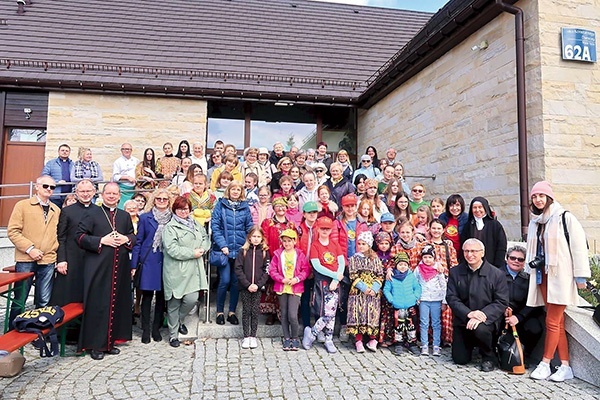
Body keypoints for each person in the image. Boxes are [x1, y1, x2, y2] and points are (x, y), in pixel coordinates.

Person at [526, 181, 591, 382]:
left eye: (541, 196)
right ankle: (565, 365)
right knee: (558, 322)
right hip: (542, 276)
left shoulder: (564, 217)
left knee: (552, 320)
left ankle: (545, 363)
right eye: (534, 197)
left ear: (549, 197)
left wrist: (580, 277)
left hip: (560, 276)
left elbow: (579, 246)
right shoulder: (536, 221)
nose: (538, 200)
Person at [76, 182, 136, 360]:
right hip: (98, 268)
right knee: (98, 305)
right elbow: (79, 237)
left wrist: (126, 238)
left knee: (116, 304)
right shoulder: (92, 213)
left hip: (120, 268)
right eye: (108, 193)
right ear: (102, 195)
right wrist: (102, 241)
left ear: (119, 196)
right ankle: (95, 345)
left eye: (115, 194)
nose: (111, 196)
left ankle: (110, 343)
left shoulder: (124, 216)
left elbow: (133, 236)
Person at [446, 238, 509, 372]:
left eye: (474, 251)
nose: (470, 255)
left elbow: (501, 301)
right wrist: (469, 313)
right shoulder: (455, 272)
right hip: (464, 320)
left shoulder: (497, 274)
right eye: (466, 251)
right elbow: (451, 297)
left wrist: (482, 315)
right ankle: (471, 346)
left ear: (482, 253)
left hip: (487, 322)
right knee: (460, 359)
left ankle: (489, 356)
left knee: (480, 329)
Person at [7, 175, 61, 328]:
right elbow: (13, 231)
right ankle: (14, 330)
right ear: (37, 186)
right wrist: (30, 249)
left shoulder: (56, 210)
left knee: (44, 300)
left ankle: (38, 331)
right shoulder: (22, 205)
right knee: (20, 299)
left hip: (48, 259)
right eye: (45, 186)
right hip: (26, 259)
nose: (49, 189)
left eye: (52, 187)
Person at [162, 196, 210, 347]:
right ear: (175, 210)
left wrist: (203, 248)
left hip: (194, 270)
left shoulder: (195, 223)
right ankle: (173, 335)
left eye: (186, 209)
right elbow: (172, 249)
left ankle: (177, 321)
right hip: (177, 271)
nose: (183, 212)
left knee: (191, 299)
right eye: (180, 209)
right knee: (174, 303)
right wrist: (192, 253)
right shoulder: (170, 228)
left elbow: (205, 238)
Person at [131, 189, 172, 344]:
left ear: (169, 201)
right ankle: (146, 329)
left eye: (165, 199)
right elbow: (138, 242)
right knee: (147, 296)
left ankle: (156, 328)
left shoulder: (172, 218)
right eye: (159, 199)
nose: (162, 201)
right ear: (154, 200)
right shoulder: (145, 217)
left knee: (162, 297)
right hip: (149, 259)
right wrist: (134, 264)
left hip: (165, 259)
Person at [211, 181, 254, 325]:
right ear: (228, 191)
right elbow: (215, 227)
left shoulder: (245, 207)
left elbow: (249, 227)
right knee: (225, 280)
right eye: (233, 189)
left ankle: (232, 312)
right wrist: (222, 245)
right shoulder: (220, 205)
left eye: (238, 189)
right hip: (224, 250)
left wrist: (247, 244)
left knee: (236, 282)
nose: (235, 192)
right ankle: (219, 311)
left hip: (240, 250)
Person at [302, 217, 345, 354]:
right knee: (327, 313)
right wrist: (334, 275)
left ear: (331, 229)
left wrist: (337, 280)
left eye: (327, 228)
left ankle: (324, 337)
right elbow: (316, 265)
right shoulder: (315, 245)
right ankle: (316, 334)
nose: (325, 231)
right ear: (318, 229)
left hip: (334, 283)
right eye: (322, 228)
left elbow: (341, 262)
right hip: (322, 282)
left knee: (331, 313)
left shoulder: (334, 244)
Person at [51, 179, 95, 308]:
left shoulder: (99, 211)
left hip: (92, 259)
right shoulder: (67, 211)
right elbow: (61, 236)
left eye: (88, 191)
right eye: (82, 191)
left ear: (94, 192)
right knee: (68, 297)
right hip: (71, 259)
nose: (85, 194)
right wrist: (61, 259)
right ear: (76, 192)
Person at [502, 245, 545, 367]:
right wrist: (502, 309)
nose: (516, 261)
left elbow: (533, 302)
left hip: (520, 317)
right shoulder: (496, 275)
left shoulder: (528, 279)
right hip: (500, 315)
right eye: (513, 258)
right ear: (507, 258)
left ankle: (523, 356)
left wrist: (519, 317)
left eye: (520, 259)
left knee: (535, 328)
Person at [269, 229, 310, 351]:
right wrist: (282, 279)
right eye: (284, 241)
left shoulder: (300, 254)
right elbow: (272, 270)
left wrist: (297, 279)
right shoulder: (278, 254)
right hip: (282, 287)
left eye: (289, 241)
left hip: (295, 288)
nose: (287, 244)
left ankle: (295, 337)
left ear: (294, 241)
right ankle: (286, 338)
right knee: (284, 314)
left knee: (293, 315)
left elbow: (305, 270)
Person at [260, 197, 297, 324]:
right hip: (273, 257)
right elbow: (264, 238)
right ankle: (271, 312)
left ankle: (283, 312)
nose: (281, 209)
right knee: (272, 284)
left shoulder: (290, 224)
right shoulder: (268, 222)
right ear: (274, 208)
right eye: (278, 206)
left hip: (287, 259)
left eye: (283, 206)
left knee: (284, 284)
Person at [346, 231, 384, 353]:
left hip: (373, 293)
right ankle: (358, 340)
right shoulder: (354, 259)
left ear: (369, 245)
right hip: (358, 292)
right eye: (359, 243)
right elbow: (353, 275)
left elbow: (380, 275)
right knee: (359, 314)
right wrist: (363, 288)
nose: (361, 246)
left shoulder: (376, 259)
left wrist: (374, 288)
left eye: (364, 244)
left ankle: (372, 339)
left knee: (372, 315)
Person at [235, 227, 270, 350]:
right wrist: (247, 284)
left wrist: (258, 285)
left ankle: (253, 336)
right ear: (249, 237)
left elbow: (267, 271)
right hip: (245, 287)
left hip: (258, 287)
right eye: (254, 236)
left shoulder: (265, 252)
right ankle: (246, 336)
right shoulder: (243, 251)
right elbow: (238, 269)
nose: (256, 239)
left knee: (255, 311)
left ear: (262, 238)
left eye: (258, 237)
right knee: (246, 311)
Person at [383, 251, 421, 356]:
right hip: (398, 306)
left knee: (411, 325)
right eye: (400, 264)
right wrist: (392, 300)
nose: (403, 267)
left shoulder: (411, 276)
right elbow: (386, 290)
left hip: (410, 305)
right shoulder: (392, 277)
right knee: (398, 326)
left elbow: (417, 287)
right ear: (396, 265)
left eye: (405, 264)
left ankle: (412, 343)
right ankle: (398, 343)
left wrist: (415, 297)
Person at [414, 245, 447, 357]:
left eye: (430, 257)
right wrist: (416, 297)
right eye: (425, 257)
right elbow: (414, 283)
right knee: (424, 323)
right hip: (423, 299)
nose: (427, 260)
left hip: (436, 299)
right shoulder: (418, 269)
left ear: (434, 258)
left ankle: (436, 345)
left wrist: (444, 301)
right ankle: (424, 345)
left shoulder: (438, 269)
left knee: (436, 323)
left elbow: (443, 285)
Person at [461, 196, 507, 268]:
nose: (477, 210)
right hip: (472, 265)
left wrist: (498, 265)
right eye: (474, 207)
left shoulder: (495, 225)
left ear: (485, 208)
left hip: (492, 265)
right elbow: (463, 244)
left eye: (480, 207)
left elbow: (501, 246)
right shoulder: (468, 225)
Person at [297, 201, 319, 328]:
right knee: (304, 299)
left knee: (317, 298)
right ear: (304, 214)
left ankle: (318, 326)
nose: (312, 215)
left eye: (314, 212)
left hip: (317, 269)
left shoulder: (319, 228)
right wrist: (306, 269)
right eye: (309, 212)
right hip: (303, 269)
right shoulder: (299, 229)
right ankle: (306, 326)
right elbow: (298, 250)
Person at [439, 194, 468, 258]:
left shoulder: (466, 218)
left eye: (457, 205)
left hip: (461, 252)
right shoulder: (442, 217)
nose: (454, 208)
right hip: (445, 252)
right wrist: (445, 239)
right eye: (451, 205)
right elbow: (438, 232)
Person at [112, 143, 139, 208]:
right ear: (121, 150)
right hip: (123, 189)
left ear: (131, 150)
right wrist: (127, 178)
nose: (126, 151)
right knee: (122, 208)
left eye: (128, 149)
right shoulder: (117, 162)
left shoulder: (136, 160)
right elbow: (115, 177)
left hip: (134, 189)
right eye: (124, 149)